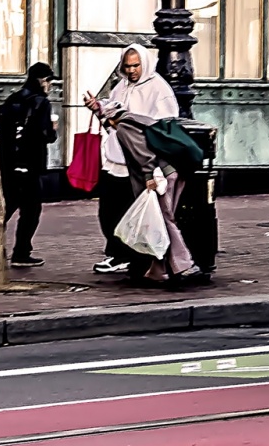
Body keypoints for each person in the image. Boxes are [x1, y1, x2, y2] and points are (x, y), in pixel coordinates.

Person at [86, 44, 179, 274]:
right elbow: (113, 126)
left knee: (134, 212)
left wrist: (152, 167)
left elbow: (164, 126)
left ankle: (130, 257)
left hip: (138, 163)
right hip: (115, 159)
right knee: (108, 212)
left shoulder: (158, 88)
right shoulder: (121, 87)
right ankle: (118, 254)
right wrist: (98, 109)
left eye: (136, 65)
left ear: (144, 63)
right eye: (127, 66)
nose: (131, 71)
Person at [94, 102, 200, 283]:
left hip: (160, 177)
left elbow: (143, 154)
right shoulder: (135, 119)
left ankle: (185, 264)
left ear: (112, 119)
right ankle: (157, 270)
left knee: (164, 219)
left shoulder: (123, 128)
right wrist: (98, 110)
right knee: (159, 221)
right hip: (172, 171)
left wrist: (149, 176)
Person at [0, 62, 57, 268]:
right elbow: (46, 134)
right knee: (31, 210)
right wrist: (53, 128)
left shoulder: (14, 98)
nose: (50, 86)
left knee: (7, 206)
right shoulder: (41, 102)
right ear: (43, 81)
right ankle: (21, 252)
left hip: (8, 163)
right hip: (30, 164)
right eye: (49, 81)